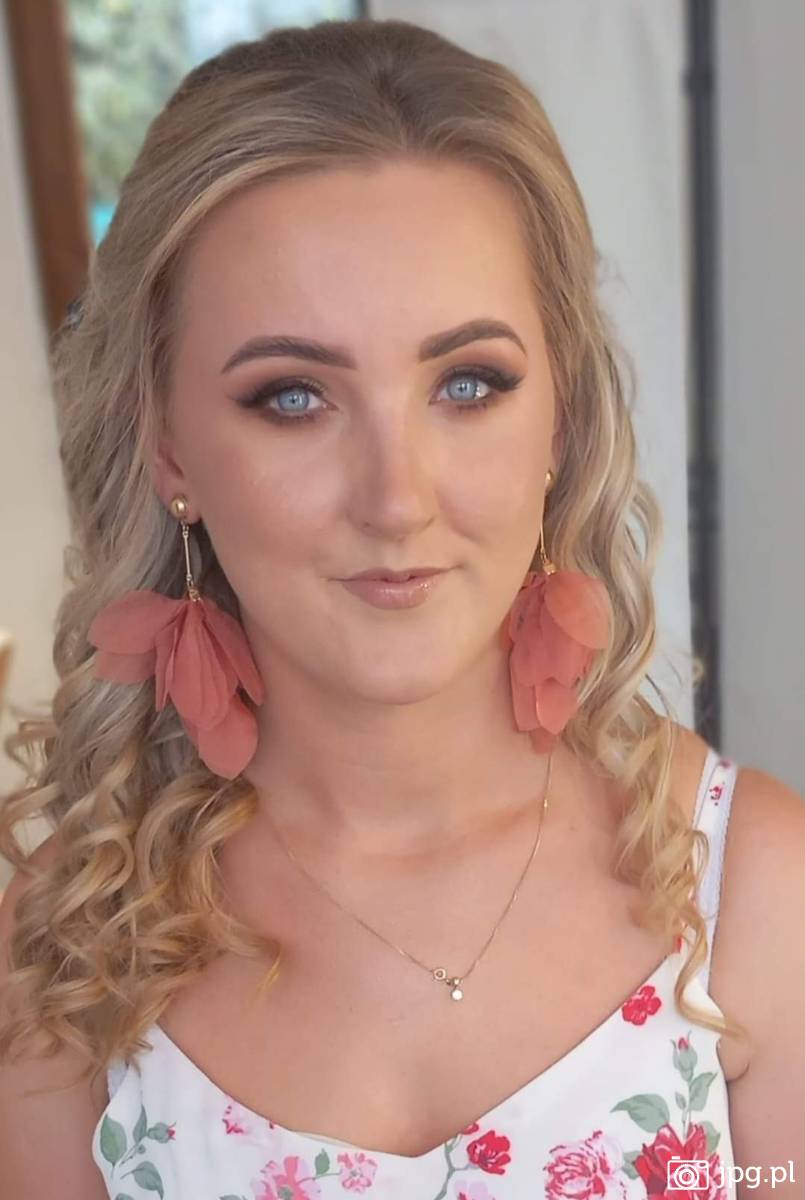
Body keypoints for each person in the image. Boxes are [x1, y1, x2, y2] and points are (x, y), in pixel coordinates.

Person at [1, 17, 803, 1200]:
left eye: (468, 383)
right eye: (292, 397)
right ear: (166, 446)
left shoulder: (751, 887)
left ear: (560, 416)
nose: (397, 498)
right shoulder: (67, 942)